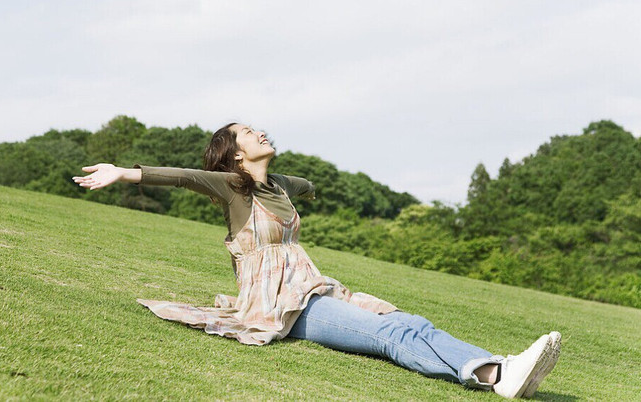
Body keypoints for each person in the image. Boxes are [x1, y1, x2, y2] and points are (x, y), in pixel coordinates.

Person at [73, 122, 561, 398]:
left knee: (407, 320)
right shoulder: (230, 187)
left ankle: (500, 366)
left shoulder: (279, 186)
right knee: (392, 335)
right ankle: (495, 374)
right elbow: (180, 177)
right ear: (235, 156)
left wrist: (289, 182)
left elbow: (303, 186)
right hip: (280, 305)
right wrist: (125, 173)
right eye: (248, 132)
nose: (259, 131)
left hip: (312, 289)